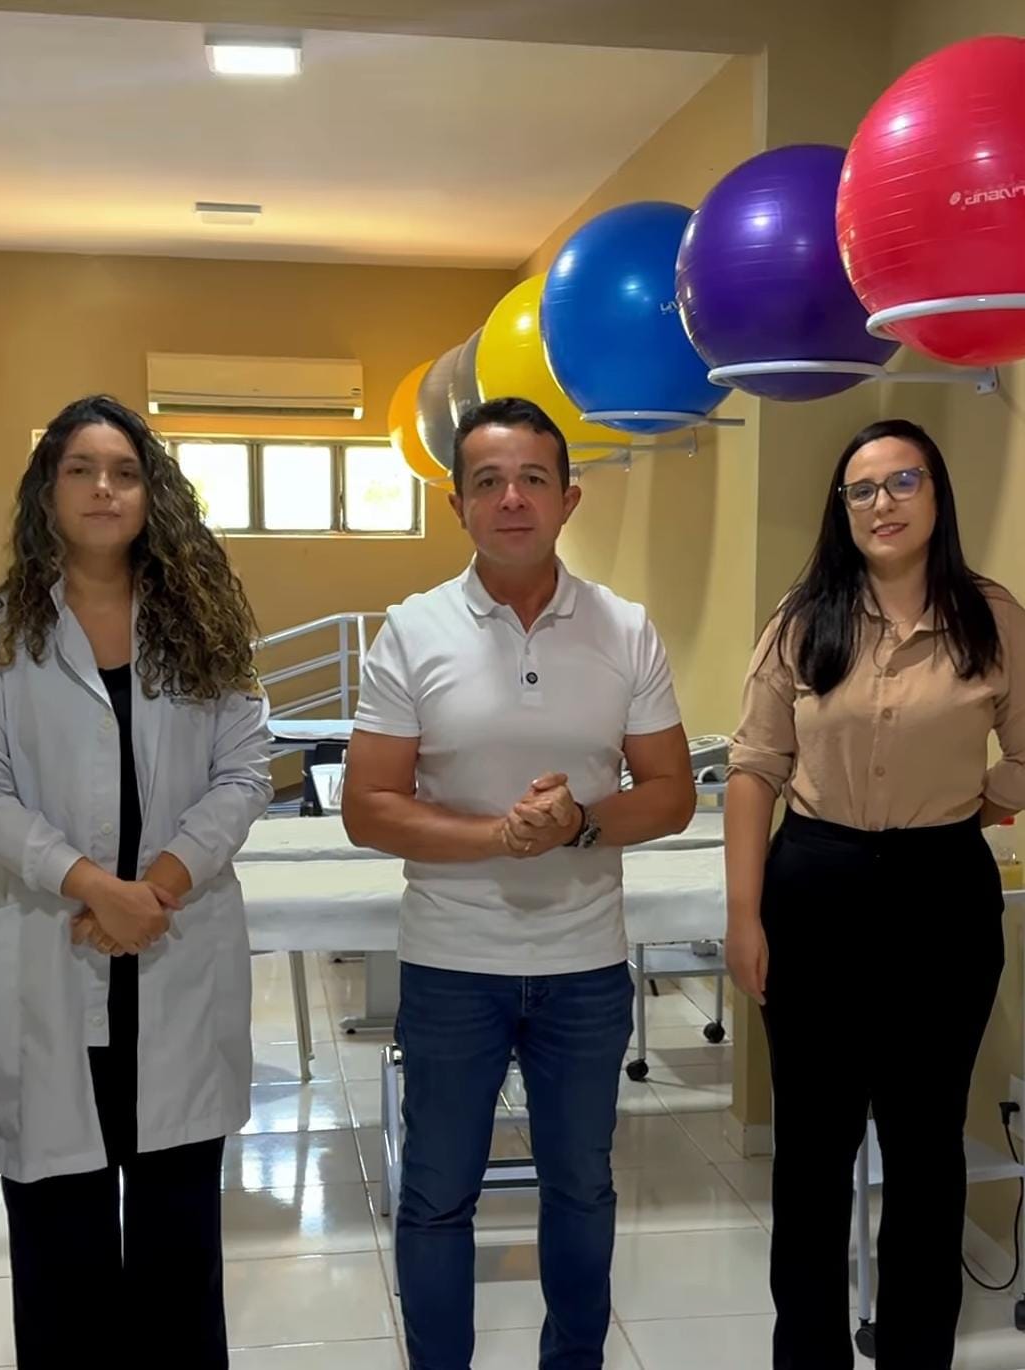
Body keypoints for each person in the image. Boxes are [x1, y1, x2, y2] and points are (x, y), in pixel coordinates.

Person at [342, 396, 695, 1370]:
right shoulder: (411, 631)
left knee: (580, 1188)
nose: (511, 499)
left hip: (585, 966)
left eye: (533, 479)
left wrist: (580, 820)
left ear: (568, 498)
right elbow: (368, 806)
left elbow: (671, 793)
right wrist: (499, 833)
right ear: (457, 503)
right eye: (488, 482)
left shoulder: (624, 629)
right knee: (436, 1195)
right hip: (452, 963)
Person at [0, 395, 273, 1369]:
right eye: (80, 469)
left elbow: (245, 773)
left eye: (125, 471)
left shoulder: (202, 624)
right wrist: (95, 884)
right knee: (60, 1259)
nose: (103, 487)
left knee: (179, 1255)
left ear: (151, 492)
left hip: (174, 953)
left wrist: (153, 889)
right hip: (51, 956)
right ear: (47, 491)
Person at [725, 418, 1025, 1370]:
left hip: (944, 898)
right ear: (842, 508)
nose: (882, 503)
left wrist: (978, 803)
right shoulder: (803, 618)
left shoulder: (991, 616)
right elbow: (753, 769)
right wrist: (742, 917)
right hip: (814, 889)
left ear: (937, 494)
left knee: (927, 1149)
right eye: (862, 489)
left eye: (903, 481)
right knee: (812, 1155)